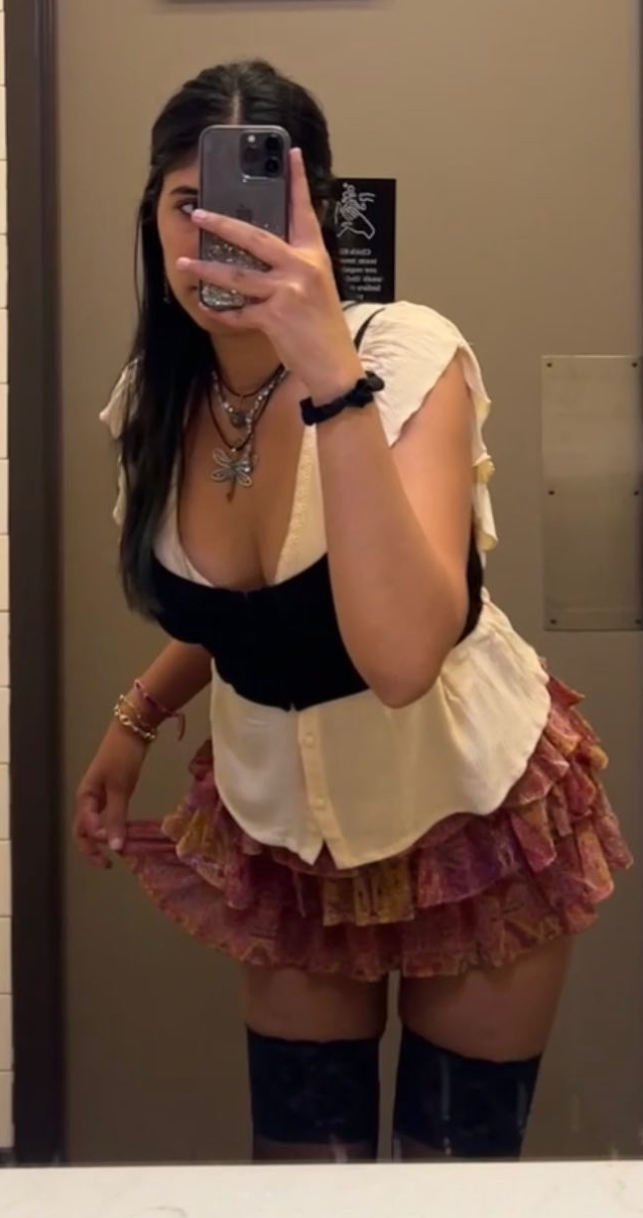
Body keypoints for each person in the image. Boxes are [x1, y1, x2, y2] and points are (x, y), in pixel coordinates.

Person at [74, 60, 632, 1164]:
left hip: (468, 810)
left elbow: (399, 657)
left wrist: (330, 377)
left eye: (250, 208)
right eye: (186, 205)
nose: (216, 239)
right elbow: (252, 609)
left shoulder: (405, 355)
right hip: (287, 835)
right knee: (303, 1173)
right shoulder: (154, 400)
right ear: (151, 217)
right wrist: (133, 722)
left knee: (450, 1177)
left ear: (313, 216)